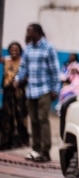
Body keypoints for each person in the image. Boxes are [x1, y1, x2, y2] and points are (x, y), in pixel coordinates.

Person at [14, 23, 61, 162]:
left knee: (42, 119)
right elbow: (23, 68)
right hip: (31, 90)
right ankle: (35, 149)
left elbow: (54, 70)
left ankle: (45, 151)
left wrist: (55, 89)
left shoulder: (49, 48)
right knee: (33, 120)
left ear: (37, 32)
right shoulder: (28, 49)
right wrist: (18, 79)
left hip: (44, 90)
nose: (27, 34)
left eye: (29, 31)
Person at [0, 41, 29, 149]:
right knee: (7, 116)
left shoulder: (22, 62)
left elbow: (26, 76)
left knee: (20, 116)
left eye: (16, 50)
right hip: (8, 92)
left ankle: (21, 140)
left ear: (20, 51)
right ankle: (7, 140)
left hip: (19, 93)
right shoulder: (6, 60)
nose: (14, 51)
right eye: (12, 49)